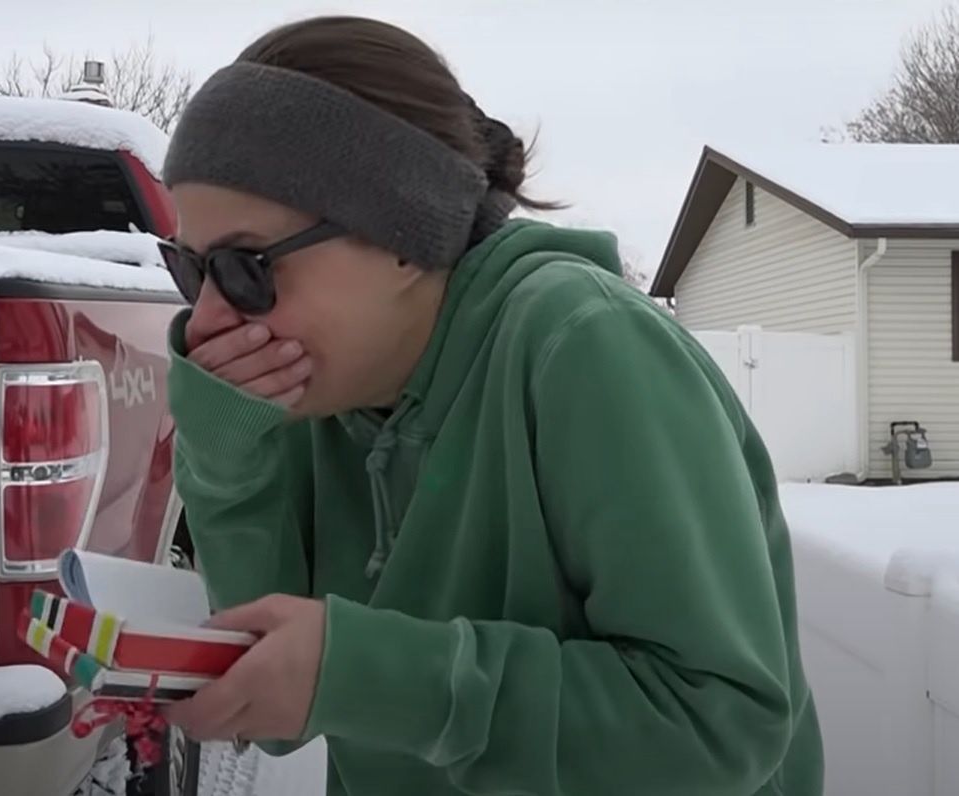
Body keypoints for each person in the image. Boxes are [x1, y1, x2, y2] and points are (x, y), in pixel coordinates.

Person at [157, 14, 823, 796]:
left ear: (402, 231)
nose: (204, 320)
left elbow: (720, 730)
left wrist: (384, 676)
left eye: (244, 268)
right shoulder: (320, 393)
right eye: (189, 270)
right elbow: (273, 715)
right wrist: (228, 463)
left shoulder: (585, 348)